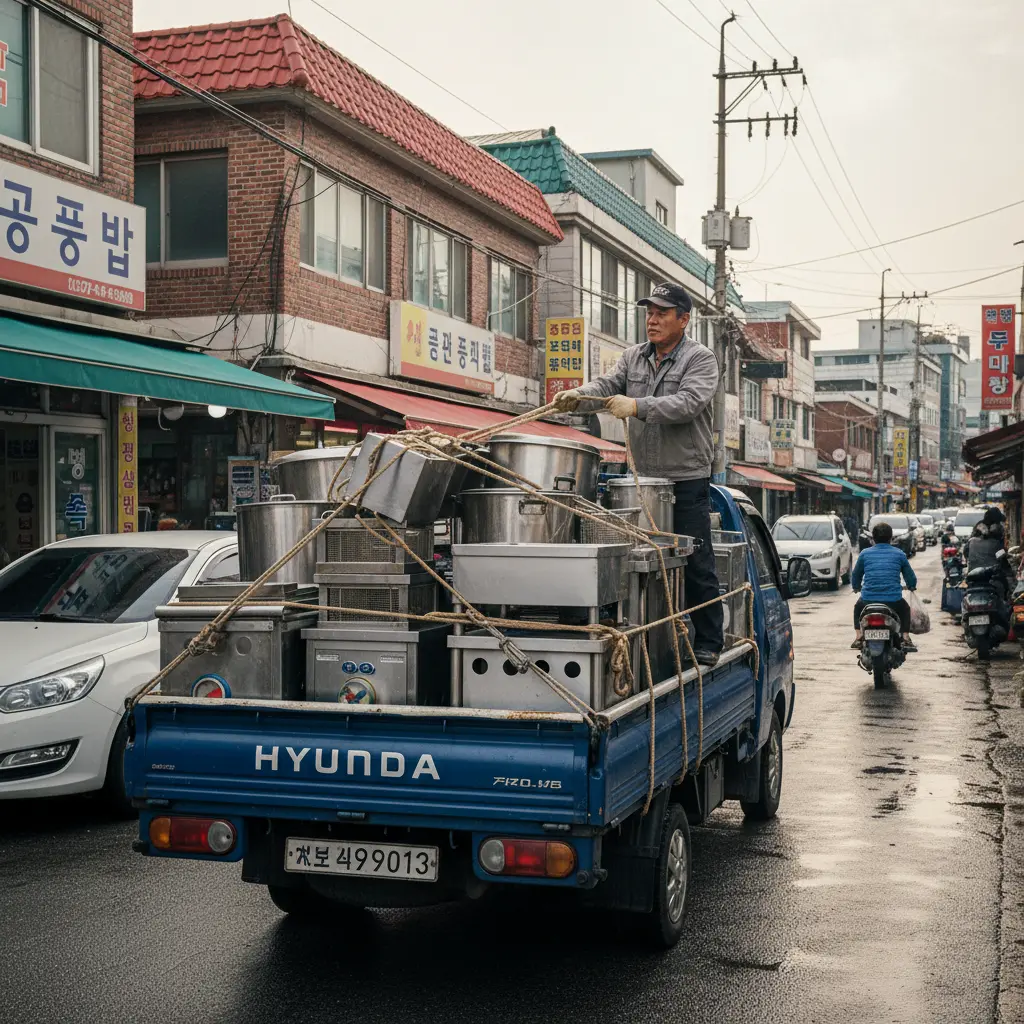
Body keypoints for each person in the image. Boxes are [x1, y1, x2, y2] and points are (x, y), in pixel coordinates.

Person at [552, 281, 723, 666]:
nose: (653, 319)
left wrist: (637, 406)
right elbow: (607, 385)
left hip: (685, 479)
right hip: (642, 481)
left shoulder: (700, 358)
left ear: (684, 319)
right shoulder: (633, 357)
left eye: (662, 313)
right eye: (649, 312)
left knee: (695, 561)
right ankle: (645, 637)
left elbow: (689, 403)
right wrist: (578, 394)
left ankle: (709, 639)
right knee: (638, 561)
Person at [850, 520, 918, 651]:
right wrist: (911, 586)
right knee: (905, 610)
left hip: (867, 600)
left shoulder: (864, 554)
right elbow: (910, 576)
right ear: (891, 538)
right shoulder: (899, 554)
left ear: (873, 539)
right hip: (893, 600)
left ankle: (858, 636)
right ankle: (905, 637)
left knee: (857, 608)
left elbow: (856, 575)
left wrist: (856, 587)